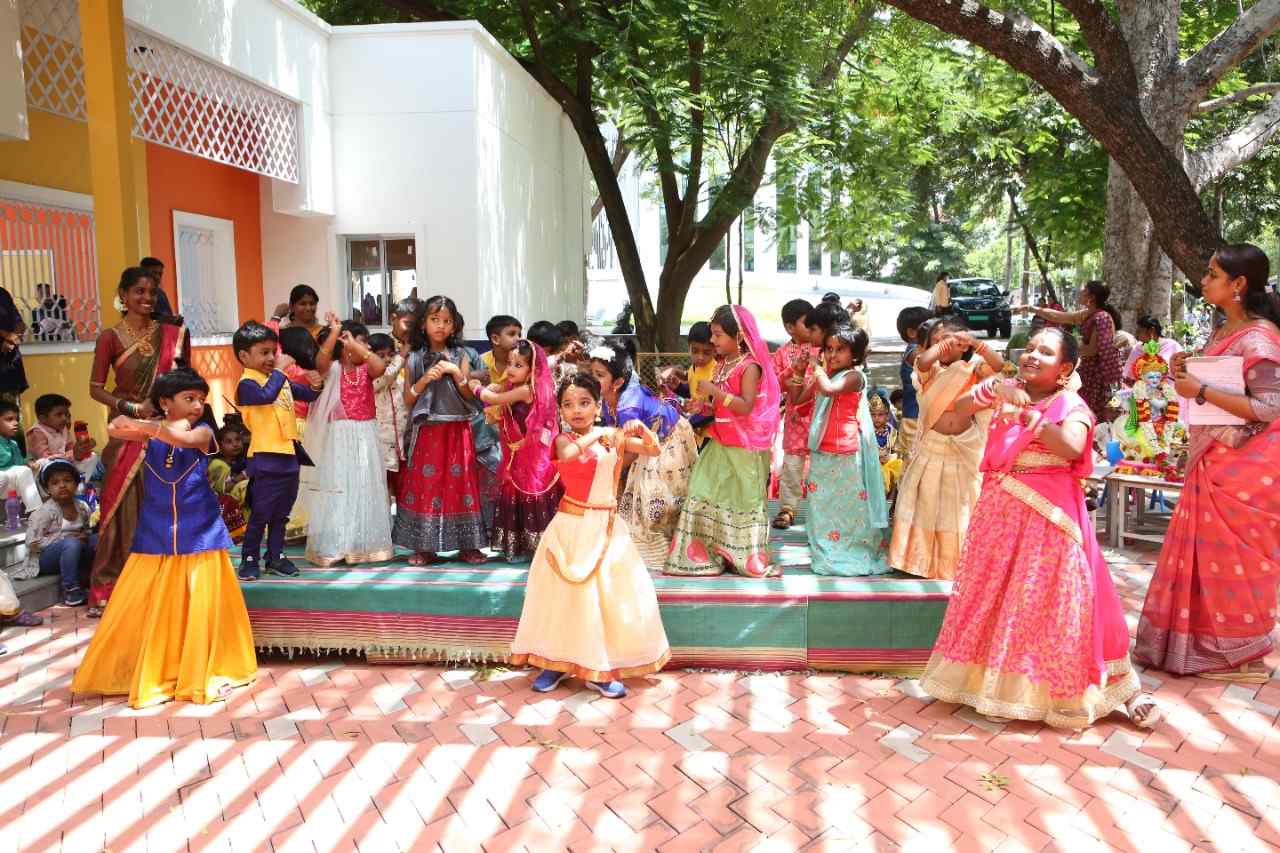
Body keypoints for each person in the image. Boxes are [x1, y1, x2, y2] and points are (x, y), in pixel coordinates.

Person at [920, 328, 1157, 729]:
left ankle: (1111, 690)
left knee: (1051, 602)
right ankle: (990, 687)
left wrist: (1033, 419)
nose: (1032, 355)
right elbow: (957, 409)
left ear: (1065, 368)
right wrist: (992, 388)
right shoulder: (1008, 389)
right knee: (995, 597)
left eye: (1045, 352)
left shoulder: (1070, 404)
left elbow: (1072, 446)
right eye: (1030, 348)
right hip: (1000, 513)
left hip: (1048, 517)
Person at [1135, 244, 1280, 683]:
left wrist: (1199, 389)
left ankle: (1238, 655)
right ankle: (1200, 647)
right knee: (1204, 555)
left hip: (1245, 468)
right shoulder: (1224, 330)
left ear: (1239, 284)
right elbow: (1222, 385)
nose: (1203, 280)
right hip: (1214, 458)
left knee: (1235, 560)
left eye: (1212, 274)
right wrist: (1187, 370)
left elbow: (1270, 406)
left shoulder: (1260, 337)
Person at [71, 367, 257, 709]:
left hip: (199, 532)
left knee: (201, 602)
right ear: (165, 402)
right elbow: (114, 427)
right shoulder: (153, 431)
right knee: (144, 600)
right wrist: (148, 418)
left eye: (201, 399)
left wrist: (151, 425)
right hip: (156, 530)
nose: (198, 405)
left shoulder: (203, 432)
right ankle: (156, 667)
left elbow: (182, 440)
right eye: (189, 398)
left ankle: (198, 669)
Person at [510, 371, 669, 699]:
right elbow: (568, 456)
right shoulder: (564, 439)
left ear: (598, 406)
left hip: (608, 529)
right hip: (571, 528)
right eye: (568, 405)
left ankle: (600, 667)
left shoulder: (611, 437)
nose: (576, 410)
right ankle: (555, 663)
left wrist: (639, 429)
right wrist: (600, 433)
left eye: (584, 403)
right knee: (564, 600)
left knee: (607, 600)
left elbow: (652, 449)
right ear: (561, 411)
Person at [86, 267, 189, 617]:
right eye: (139, 291)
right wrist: (132, 407)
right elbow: (95, 388)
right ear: (123, 295)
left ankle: (162, 583)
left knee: (164, 504)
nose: (147, 298)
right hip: (128, 430)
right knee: (122, 505)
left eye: (152, 292)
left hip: (164, 429)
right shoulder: (110, 337)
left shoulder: (171, 334)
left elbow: (185, 380)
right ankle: (116, 586)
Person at [665, 305, 780, 578]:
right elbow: (719, 407)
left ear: (738, 336)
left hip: (743, 447)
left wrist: (715, 392)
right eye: (713, 334)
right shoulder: (722, 365)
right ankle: (705, 553)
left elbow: (746, 406)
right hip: (719, 440)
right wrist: (700, 406)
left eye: (718, 335)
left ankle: (746, 556)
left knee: (744, 500)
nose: (712, 340)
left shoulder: (749, 367)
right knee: (702, 491)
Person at [889, 317, 1003, 580]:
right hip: (933, 447)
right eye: (937, 341)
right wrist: (941, 346)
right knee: (926, 505)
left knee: (961, 507)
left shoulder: (974, 369)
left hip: (964, 447)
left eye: (953, 341)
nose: (946, 346)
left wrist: (975, 343)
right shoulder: (929, 371)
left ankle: (960, 562)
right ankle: (916, 561)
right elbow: (922, 361)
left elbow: (998, 366)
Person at [394, 295, 487, 565]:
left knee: (462, 483)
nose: (440, 326)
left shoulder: (461, 355)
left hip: (457, 429)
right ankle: (424, 546)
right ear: (423, 323)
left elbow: (469, 396)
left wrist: (456, 373)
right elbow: (408, 399)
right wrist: (425, 379)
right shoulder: (414, 357)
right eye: (434, 319)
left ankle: (468, 545)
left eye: (446, 321)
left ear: (454, 325)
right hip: (428, 430)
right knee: (427, 484)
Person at [590, 340, 699, 569]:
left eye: (599, 375)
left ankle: (662, 546)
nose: (592, 379)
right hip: (645, 443)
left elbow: (630, 452)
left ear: (617, 382)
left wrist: (606, 470)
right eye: (592, 373)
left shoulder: (627, 407)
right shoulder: (609, 398)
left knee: (656, 497)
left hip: (668, 439)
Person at [799, 326, 891, 576]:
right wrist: (799, 373)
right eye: (828, 349)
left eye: (840, 349)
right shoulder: (827, 375)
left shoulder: (854, 377)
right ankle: (828, 549)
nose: (832, 354)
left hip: (847, 452)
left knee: (850, 507)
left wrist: (816, 367)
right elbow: (798, 400)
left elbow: (828, 389)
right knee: (823, 506)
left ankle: (852, 549)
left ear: (855, 354)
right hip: (822, 449)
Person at [232, 321, 318, 581]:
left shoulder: (279, 380)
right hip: (265, 457)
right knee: (261, 513)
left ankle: (275, 557)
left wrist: (317, 385)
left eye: (273, 352)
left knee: (281, 514)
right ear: (244, 356)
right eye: (264, 352)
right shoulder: (247, 384)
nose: (271, 358)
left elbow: (307, 394)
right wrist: (280, 370)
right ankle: (249, 559)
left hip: (289, 456)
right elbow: (265, 396)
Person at [305, 316, 393, 566]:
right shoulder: (333, 369)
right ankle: (337, 543)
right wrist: (335, 333)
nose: (364, 347)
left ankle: (362, 544)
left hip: (365, 433)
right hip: (339, 435)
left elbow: (379, 367)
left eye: (364, 343)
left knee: (364, 484)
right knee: (341, 484)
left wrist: (355, 345)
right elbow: (320, 362)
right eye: (359, 342)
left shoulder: (366, 369)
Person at [469, 340, 563, 560]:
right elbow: (499, 393)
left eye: (518, 365)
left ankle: (539, 547)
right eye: (510, 363)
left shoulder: (526, 390)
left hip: (530, 457)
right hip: (518, 454)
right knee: (516, 493)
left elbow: (494, 399)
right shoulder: (516, 386)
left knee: (530, 495)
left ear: (532, 370)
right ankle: (522, 546)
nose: (511, 369)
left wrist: (473, 386)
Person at [1020, 281, 1122, 420]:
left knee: (1095, 414)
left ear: (1091, 297)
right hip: (1088, 372)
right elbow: (1058, 316)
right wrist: (1031, 308)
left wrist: (1064, 349)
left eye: (1083, 290)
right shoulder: (1088, 314)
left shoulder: (1102, 317)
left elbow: (1093, 350)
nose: (1080, 292)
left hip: (1098, 376)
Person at [21, 459, 95, 606]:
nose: (62, 485)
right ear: (48, 489)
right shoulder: (44, 512)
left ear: (76, 485)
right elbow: (32, 542)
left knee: (97, 539)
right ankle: (70, 590)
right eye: (55, 483)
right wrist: (65, 539)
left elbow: (86, 529)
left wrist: (86, 535)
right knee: (71, 543)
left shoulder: (82, 507)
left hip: (73, 552)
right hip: (45, 559)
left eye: (67, 480)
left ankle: (94, 580)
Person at [770, 299, 817, 530]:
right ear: (790, 327)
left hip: (820, 418)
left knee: (821, 465)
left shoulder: (822, 348)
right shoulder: (781, 354)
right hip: (796, 419)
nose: (813, 328)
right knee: (792, 465)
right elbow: (774, 383)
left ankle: (821, 510)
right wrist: (792, 369)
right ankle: (788, 509)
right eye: (807, 324)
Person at [368, 332, 407, 500]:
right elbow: (387, 376)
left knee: (400, 488)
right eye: (381, 355)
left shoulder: (401, 380)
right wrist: (403, 353)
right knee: (381, 487)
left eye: (391, 354)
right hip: (380, 445)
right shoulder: (371, 382)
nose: (387, 359)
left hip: (401, 444)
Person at [27, 393, 98, 483]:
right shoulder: (37, 432)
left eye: (66, 414)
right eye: (59, 415)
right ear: (43, 418)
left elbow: (71, 449)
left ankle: (79, 485)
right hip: (46, 471)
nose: (65, 418)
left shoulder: (63, 429)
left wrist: (83, 449)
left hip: (64, 464)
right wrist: (73, 454)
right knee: (42, 462)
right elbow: (46, 459)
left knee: (92, 456)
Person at [896, 306, 933, 460]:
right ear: (912, 332)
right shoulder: (914, 351)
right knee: (915, 461)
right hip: (914, 418)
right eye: (929, 326)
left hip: (922, 416)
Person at [207, 423, 249, 542]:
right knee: (245, 486)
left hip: (238, 505)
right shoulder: (217, 465)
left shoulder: (241, 461)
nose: (235, 444)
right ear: (220, 447)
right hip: (223, 509)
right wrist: (243, 476)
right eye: (229, 442)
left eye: (237, 440)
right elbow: (223, 491)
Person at [477, 314, 523, 422]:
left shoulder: (524, 363)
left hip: (515, 420)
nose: (518, 339)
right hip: (485, 422)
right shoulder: (480, 362)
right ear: (495, 339)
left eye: (519, 334)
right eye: (512, 334)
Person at [0, 400, 42, 516]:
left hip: (7, 482)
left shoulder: (13, 443)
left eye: (16, 419)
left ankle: (37, 511)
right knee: (5, 476)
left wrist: (29, 462)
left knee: (38, 466)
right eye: (9, 419)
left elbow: (19, 464)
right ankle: (36, 511)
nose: (15, 423)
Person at [1123, 315, 1182, 383]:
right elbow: (1128, 377)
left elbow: (1183, 372)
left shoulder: (1172, 346)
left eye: (1139, 332)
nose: (1137, 336)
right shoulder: (1137, 348)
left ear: (1152, 331)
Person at [869, 391, 903, 498]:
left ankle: (890, 502)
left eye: (880, 415)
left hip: (888, 463)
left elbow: (897, 452)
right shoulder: (867, 432)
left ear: (887, 415)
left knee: (899, 467)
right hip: (872, 464)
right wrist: (876, 459)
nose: (876, 418)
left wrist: (889, 458)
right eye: (873, 415)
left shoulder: (892, 432)